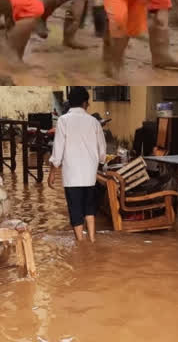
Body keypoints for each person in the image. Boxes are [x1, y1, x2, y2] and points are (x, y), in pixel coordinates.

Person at [48, 87, 106, 243]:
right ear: (85, 103)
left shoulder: (63, 121)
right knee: (89, 207)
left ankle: (81, 243)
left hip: (72, 175)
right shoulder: (94, 122)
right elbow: (102, 151)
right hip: (89, 175)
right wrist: (100, 162)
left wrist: (52, 172)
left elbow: (58, 148)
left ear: (70, 102)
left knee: (75, 208)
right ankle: (92, 239)